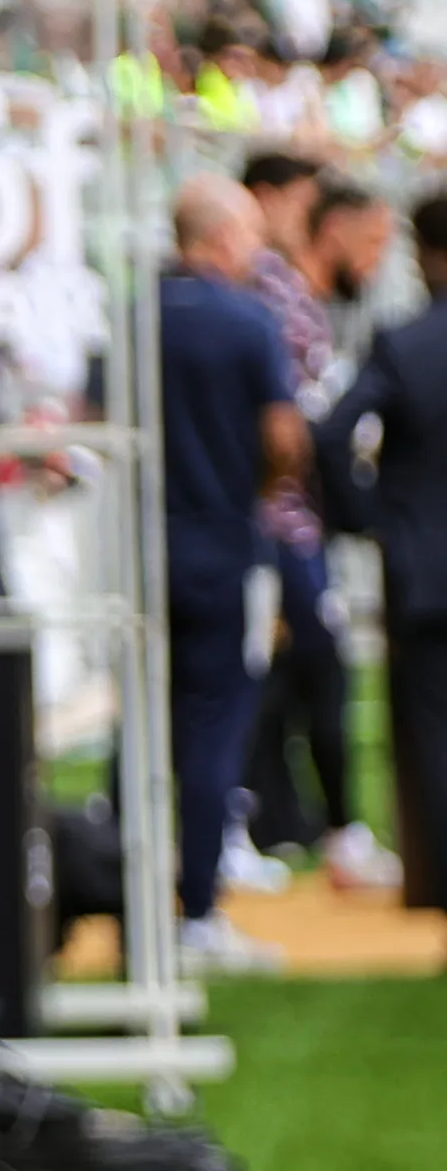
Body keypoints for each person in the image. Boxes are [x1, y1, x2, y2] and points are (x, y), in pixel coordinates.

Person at [240, 159, 403, 887]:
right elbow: (289, 432)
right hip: (281, 528)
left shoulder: (296, 300)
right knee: (301, 679)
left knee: (289, 685)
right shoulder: (275, 298)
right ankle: (320, 832)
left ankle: (286, 824)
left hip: (289, 527)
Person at [159, 174, 306, 972]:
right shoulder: (249, 319)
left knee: (148, 729)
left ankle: (143, 897)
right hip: (224, 547)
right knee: (217, 726)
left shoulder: (136, 314)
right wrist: (255, 492)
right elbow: (285, 438)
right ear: (216, 239)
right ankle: (200, 909)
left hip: (150, 555)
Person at [317, 191, 447, 910]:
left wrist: (368, 520)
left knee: (429, 727)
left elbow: (333, 433)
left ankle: (436, 879)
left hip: (422, 566)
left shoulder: (404, 342)